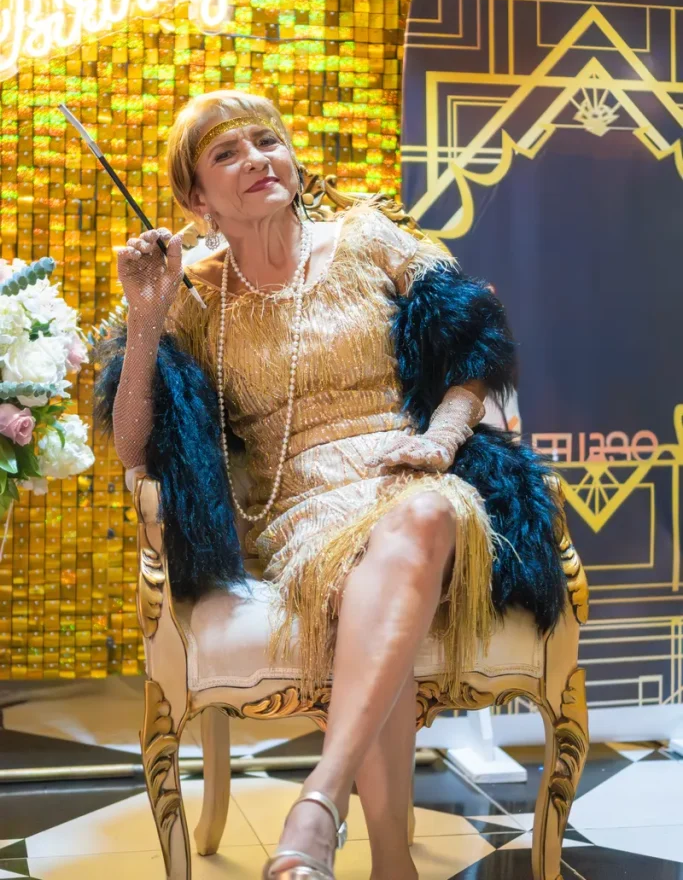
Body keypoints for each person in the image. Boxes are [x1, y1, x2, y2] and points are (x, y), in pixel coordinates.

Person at [98, 89, 567, 880]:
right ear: (193, 199)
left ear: (292, 158)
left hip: (416, 472)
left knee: (421, 518)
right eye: (226, 154)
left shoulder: (364, 237)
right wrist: (145, 318)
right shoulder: (197, 297)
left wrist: (441, 440)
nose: (256, 160)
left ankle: (317, 801)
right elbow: (134, 449)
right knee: (360, 587)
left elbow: (474, 346)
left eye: (266, 141)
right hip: (299, 510)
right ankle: (390, 862)